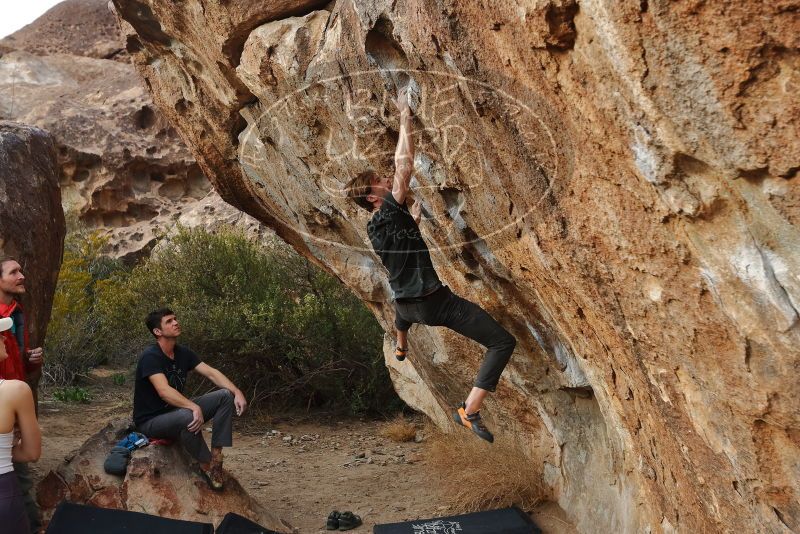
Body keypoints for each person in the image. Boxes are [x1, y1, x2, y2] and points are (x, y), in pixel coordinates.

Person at [346, 90, 516, 443]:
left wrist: (415, 225)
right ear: (374, 197)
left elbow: (399, 254)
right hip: (435, 303)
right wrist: (406, 117)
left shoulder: (376, 226)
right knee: (502, 342)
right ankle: (468, 410)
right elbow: (404, 167)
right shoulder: (390, 209)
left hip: (409, 306)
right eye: (381, 183)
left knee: (402, 312)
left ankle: (401, 346)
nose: (387, 182)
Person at [132, 308, 248, 490]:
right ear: (157, 331)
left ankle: (216, 457)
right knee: (189, 415)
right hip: (150, 422)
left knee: (225, 396)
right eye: (169, 321)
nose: (176, 322)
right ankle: (206, 464)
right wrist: (193, 406)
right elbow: (163, 391)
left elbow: (211, 373)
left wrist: (237, 391)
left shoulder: (182, 353)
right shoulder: (150, 356)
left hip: (174, 412)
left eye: (175, 319)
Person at [0, 257, 43, 530]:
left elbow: (14, 358)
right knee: (20, 478)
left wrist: (30, 359)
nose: (21, 275)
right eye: (13, 272)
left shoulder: (16, 313)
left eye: (21, 270)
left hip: (12, 399)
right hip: (5, 403)